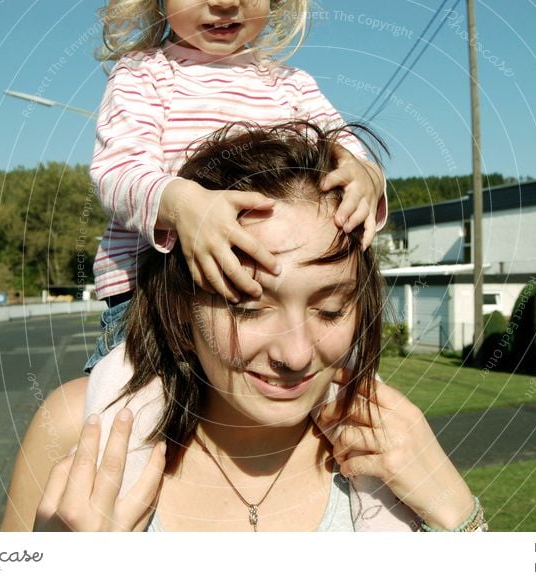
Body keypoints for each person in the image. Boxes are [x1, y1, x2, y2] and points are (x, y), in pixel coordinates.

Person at [1, 121, 485, 533]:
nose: (295, 354)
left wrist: (460, 514)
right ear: (181, 311)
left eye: (332, 309)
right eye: (247, 307)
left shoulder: (392, 444)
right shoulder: (76, 428)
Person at [86, 0, 388, 373]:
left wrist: (368, 178)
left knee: (344, 401)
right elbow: (119, 171)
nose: (226, 2)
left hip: (280, 295)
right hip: (149, 296)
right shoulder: (143, 74)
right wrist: (184, 205)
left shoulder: (292, 85)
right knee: (128, 406)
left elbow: (347, 156)